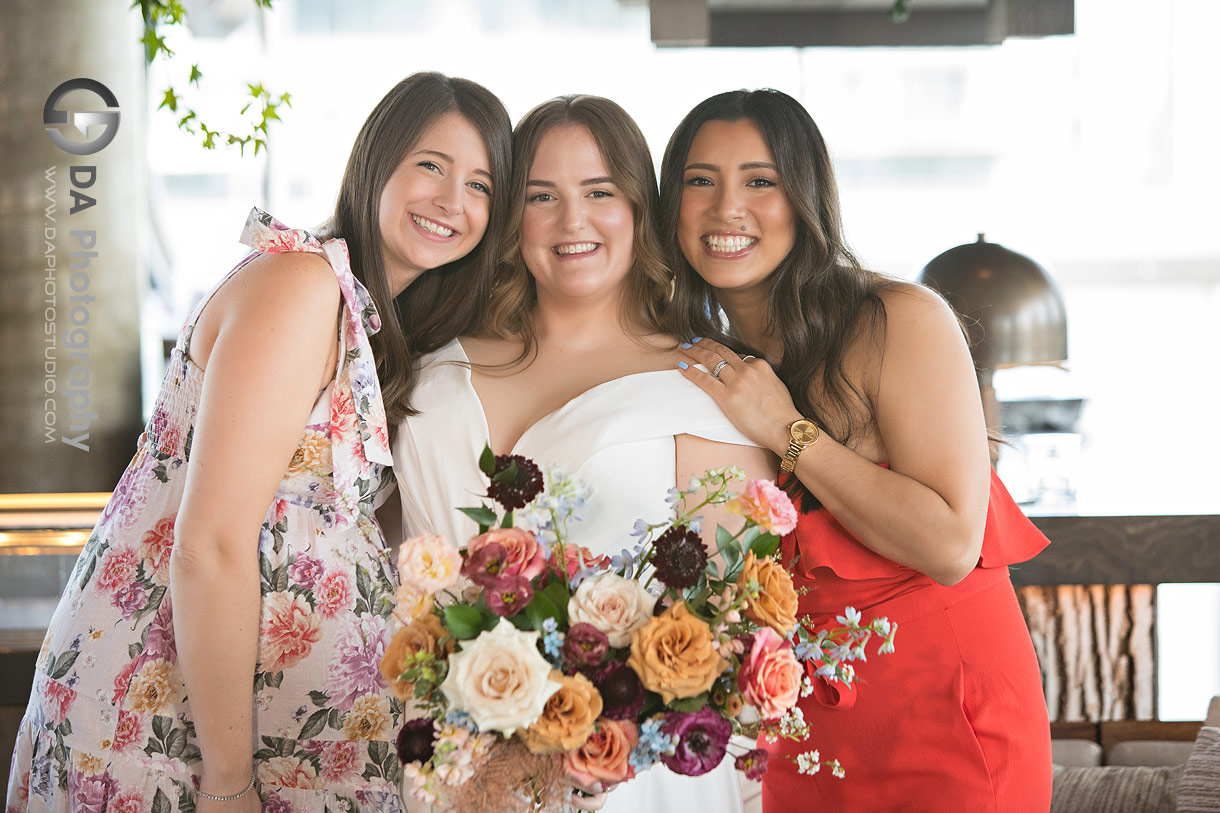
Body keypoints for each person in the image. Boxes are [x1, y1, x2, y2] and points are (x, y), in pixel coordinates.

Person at [5, 72, 511, 813]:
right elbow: (208, 541)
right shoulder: (301, 286)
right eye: (431, 165)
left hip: (277, 742)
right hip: (173, 734)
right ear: (377, 162)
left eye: (481, 185)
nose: (451, 201)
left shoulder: (368, 320)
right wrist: (228, 778)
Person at [658, 88, 1052, 812]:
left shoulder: (899, 319)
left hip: (949, 725)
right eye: (699, 181)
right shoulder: (708, 362)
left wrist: (785, 428)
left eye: (760, 180)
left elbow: (951, 542)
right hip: (809, 737)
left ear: (804, 198)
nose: (726, 209)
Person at [390, 95, 774, 813]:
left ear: (637, 209)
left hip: (626, 774)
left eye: (599, 192)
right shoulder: (431, 369)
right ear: (511, 218)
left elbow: (730, 625)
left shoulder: (704, 385)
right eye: (543, 196)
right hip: (441, 758)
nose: (573, 221)